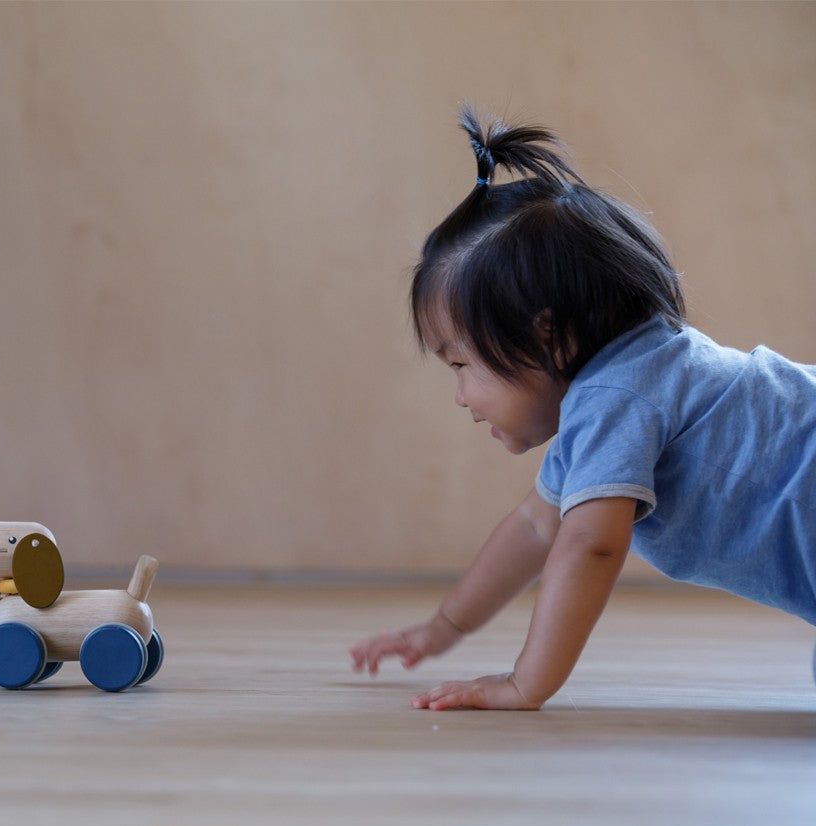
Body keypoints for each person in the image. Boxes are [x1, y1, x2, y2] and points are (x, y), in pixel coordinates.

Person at [349, 106, 816, 710]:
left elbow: (590, 544)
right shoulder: (620, 391)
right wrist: (445, 627)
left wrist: (526, 681)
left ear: (552, 336)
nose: (461, 396)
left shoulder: (615, 397)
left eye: (462, 366)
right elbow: (534, 527)